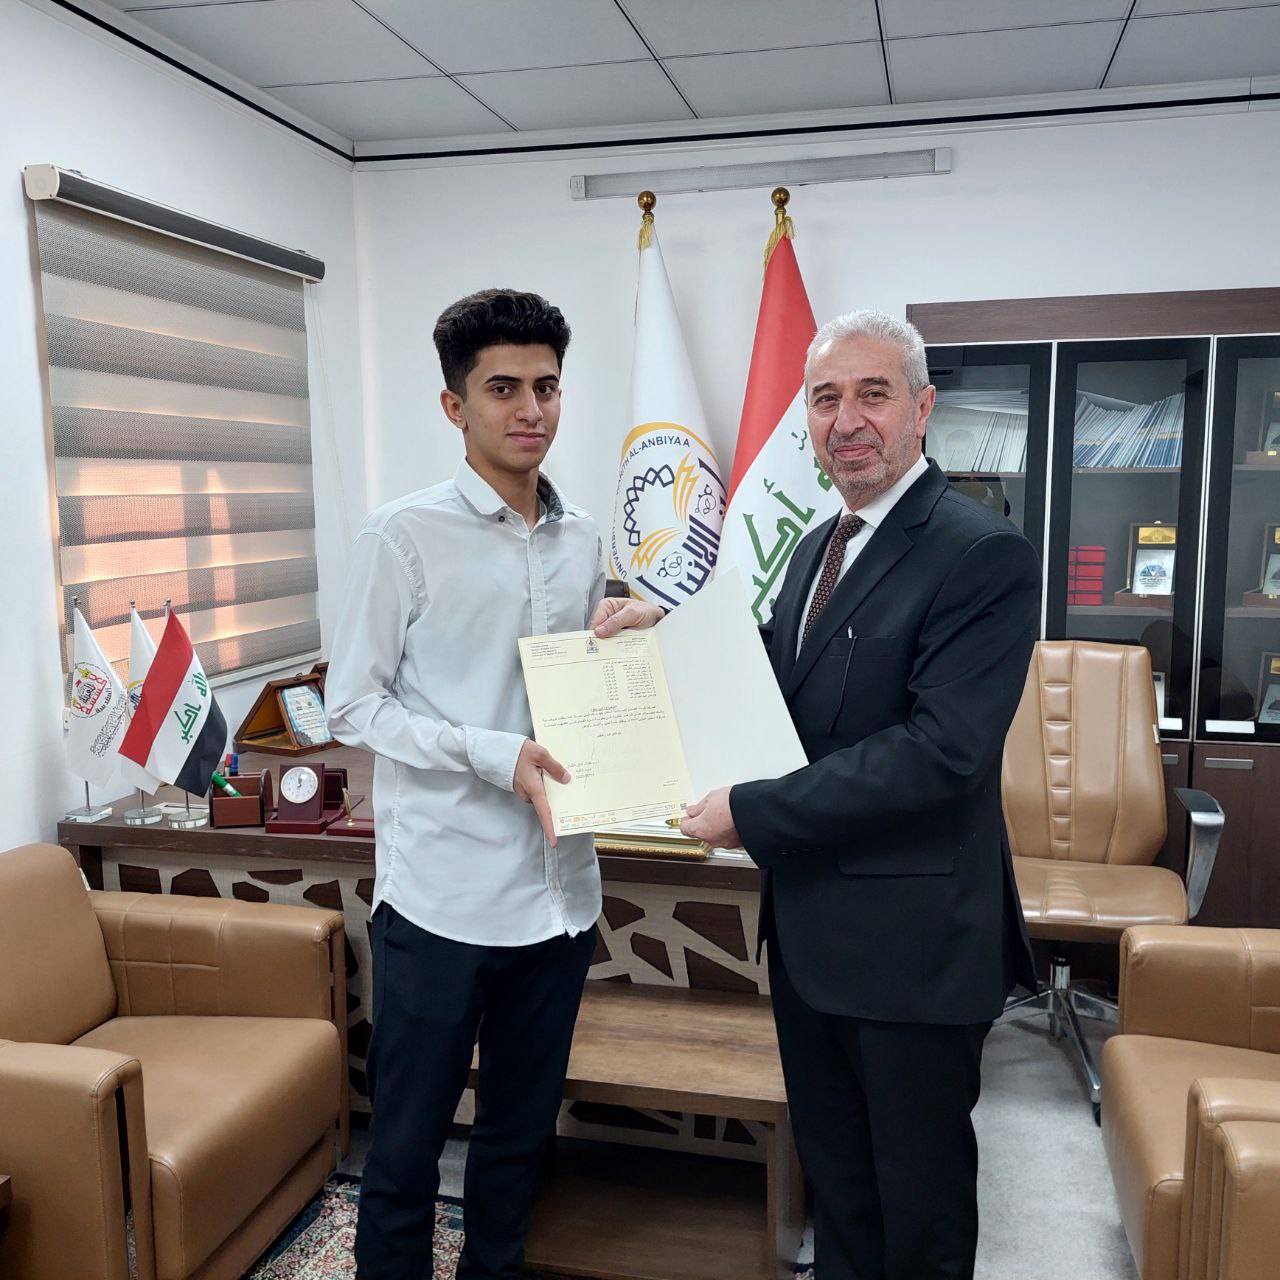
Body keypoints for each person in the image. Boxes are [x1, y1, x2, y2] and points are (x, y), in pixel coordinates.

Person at [595, 310, 1041, 1280]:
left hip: (914, 954)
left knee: (917, 1214)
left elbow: (941, 753)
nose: (847, 420)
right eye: (825, 398)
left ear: (921, 408)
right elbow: (782, 670)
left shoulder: (979, 552)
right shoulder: (816, 543)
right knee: (840, 1194)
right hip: (812, 940)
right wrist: (662, 626)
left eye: (872, 393)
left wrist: (750, 812)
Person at [326, 289, 604, 1280]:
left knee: (518, 1143)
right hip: (442, 897)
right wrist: (495, 752)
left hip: (559, 896)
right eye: (503, 388)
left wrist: (626, 651)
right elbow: (351, 707)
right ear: (455, 405)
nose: (530, 409)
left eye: (546, 386)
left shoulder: (585, 538)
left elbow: (571, 692)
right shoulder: (399, 536)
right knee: (404, 1153)